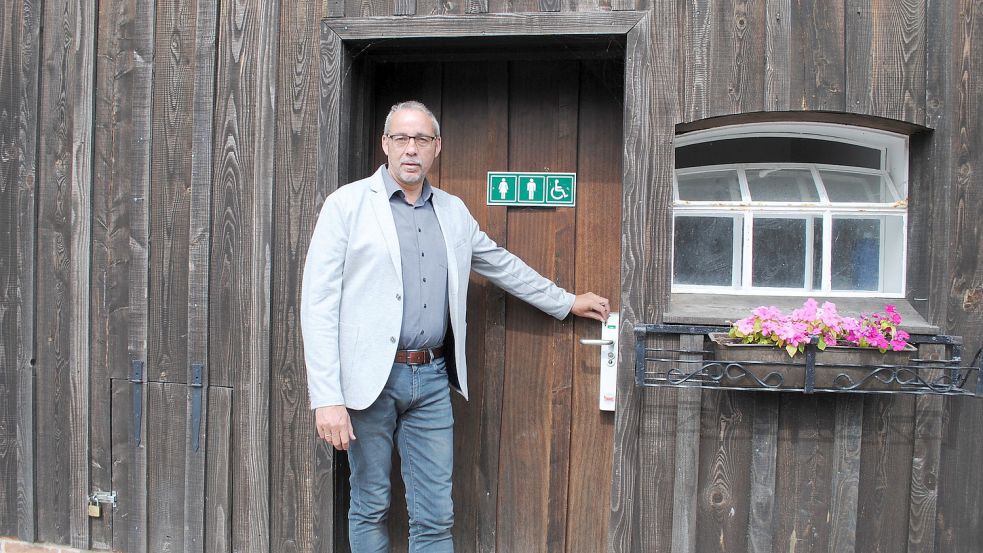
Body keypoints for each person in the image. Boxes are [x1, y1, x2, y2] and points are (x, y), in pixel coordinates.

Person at [301, 100, 610, 553]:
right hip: (368, 381)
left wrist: (565, 301)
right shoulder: (346, 205)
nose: (411, 149)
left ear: (437, 147)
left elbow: (500, 263)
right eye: (402, 138)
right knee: (370, 504)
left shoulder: (452, 211)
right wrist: (327, 398)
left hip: (430, 379)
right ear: (385, 144)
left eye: (422, 139)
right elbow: (319, 302)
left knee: (436, 515)